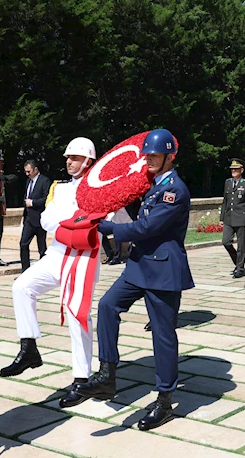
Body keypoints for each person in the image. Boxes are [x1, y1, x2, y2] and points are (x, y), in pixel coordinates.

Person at [75, 129, 194, 432]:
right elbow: (139, 210)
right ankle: (107, 374)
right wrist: (123, 194)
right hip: (139, 266)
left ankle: (165, 400)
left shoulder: (174, 190)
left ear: (170, 156)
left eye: (154, 156)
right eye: (147, 155)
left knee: (163, 336)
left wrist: (108, 228)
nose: (149, 160)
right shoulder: (153, 185)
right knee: (107, 306)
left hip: (163, 271)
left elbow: (147, 227)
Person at [0, 138, 102, 408]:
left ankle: (82, 378)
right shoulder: (60, 188)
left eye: (75, 158)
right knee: (21, 287)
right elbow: (46, 220)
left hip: (83, 257)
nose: (69, 162)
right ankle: (29, 347)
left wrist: (69, 220)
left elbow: (108, 219)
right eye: (68, 157)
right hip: (57, 254)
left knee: (76, 315)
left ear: (88, 161)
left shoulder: (100, 189)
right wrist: (78, 218)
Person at [220, 159, 245, 278]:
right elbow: (225, 201)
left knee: (241, 245)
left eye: (236, 169)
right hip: (229, 218)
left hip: (241, 218)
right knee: (226, 242)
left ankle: (240, 269)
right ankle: (238, 261)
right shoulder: (228, 183)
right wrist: (222, 218)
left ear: (241, 170)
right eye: (232, 169)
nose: (233, 171)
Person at [19, 159, 52, 271]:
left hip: (40, 218)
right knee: (23, 244)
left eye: (29, 171)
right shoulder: (28, 181)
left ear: (36, 169)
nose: (27, 174)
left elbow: (47, 198)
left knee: (41, 247)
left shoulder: (44, 181)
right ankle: (25, 271)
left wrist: (32, 202)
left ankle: (44, 270)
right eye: (26, 172)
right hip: (29, 219)